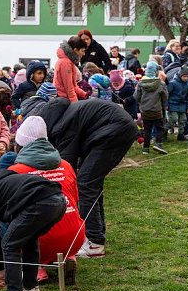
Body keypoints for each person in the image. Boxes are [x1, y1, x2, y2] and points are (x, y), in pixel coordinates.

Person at [37, 97, 135, 258]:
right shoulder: (69, 114)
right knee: (91, 182)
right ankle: (96, 233)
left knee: (85, 184)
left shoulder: (61, 126)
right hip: (117, 128)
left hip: (113, 132)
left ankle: (94, 241)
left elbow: (66, 165)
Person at [11, 116, 84, 284]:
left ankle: (38, 269)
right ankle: (69, 256)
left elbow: (12, 211)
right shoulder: (66, 165)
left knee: (19, 226)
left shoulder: (16, 171)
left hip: (42, 240)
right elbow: (75, 199)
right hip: (75, 236)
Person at [134, 62, 169, 155]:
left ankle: (145, 148)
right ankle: (158, 144)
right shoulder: (161, 84)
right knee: (160, 128)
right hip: (157, 110)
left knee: (147, 129)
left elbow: (136, 97)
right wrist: (164, 104)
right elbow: (165, 96)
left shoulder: (140, 83)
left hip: (145, 110)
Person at [54, 37, 88, 102]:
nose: (84, 54)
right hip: (63, 99)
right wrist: (75, 104)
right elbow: (69, 87)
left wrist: (84, 94)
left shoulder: (68, 61)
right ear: (75, 50)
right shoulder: (66, 63)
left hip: (64, 97)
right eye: (82, 51)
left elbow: (73, 85)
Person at [166, 66, 188, 141]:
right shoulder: (173, 83)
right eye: (184, 76)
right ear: (180, 76)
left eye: (187, 76)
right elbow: (167, 94)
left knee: (183, 120)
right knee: (173, 119)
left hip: (182, 105)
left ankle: (181, 134)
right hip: (173, 104)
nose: (186, 78)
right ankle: (164, 131)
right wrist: (166, 104)